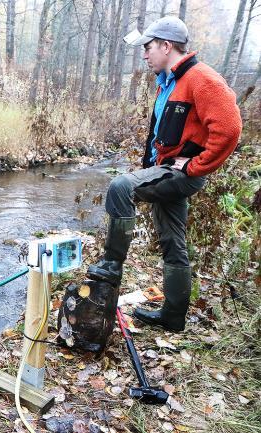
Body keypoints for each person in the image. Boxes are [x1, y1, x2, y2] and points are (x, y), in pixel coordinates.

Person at [87, 17, 242, 332]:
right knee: (173, 243)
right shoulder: (168, 81)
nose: (145, 55)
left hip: (181, 173)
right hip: (166, 170)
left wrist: (196, 166)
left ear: (166, 46)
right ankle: (172, 316)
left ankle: (111, 267)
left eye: (149, 47)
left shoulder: (201, 78)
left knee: (120, 187)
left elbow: (229, 129)